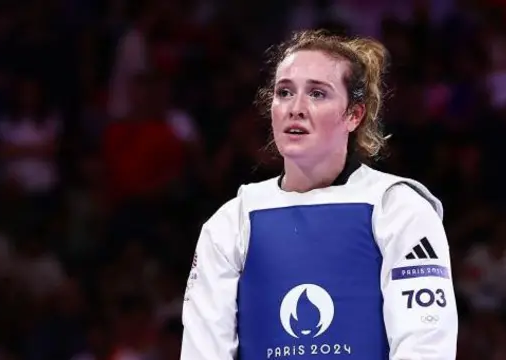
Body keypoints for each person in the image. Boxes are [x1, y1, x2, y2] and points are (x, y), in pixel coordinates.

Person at [181, 30, 458, 360]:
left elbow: (425, 346)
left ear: (354, 114)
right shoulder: (231, 222)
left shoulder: (398, 208)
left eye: (317, 93)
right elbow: (203, 352)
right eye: (284, 92)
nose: (296, 108)